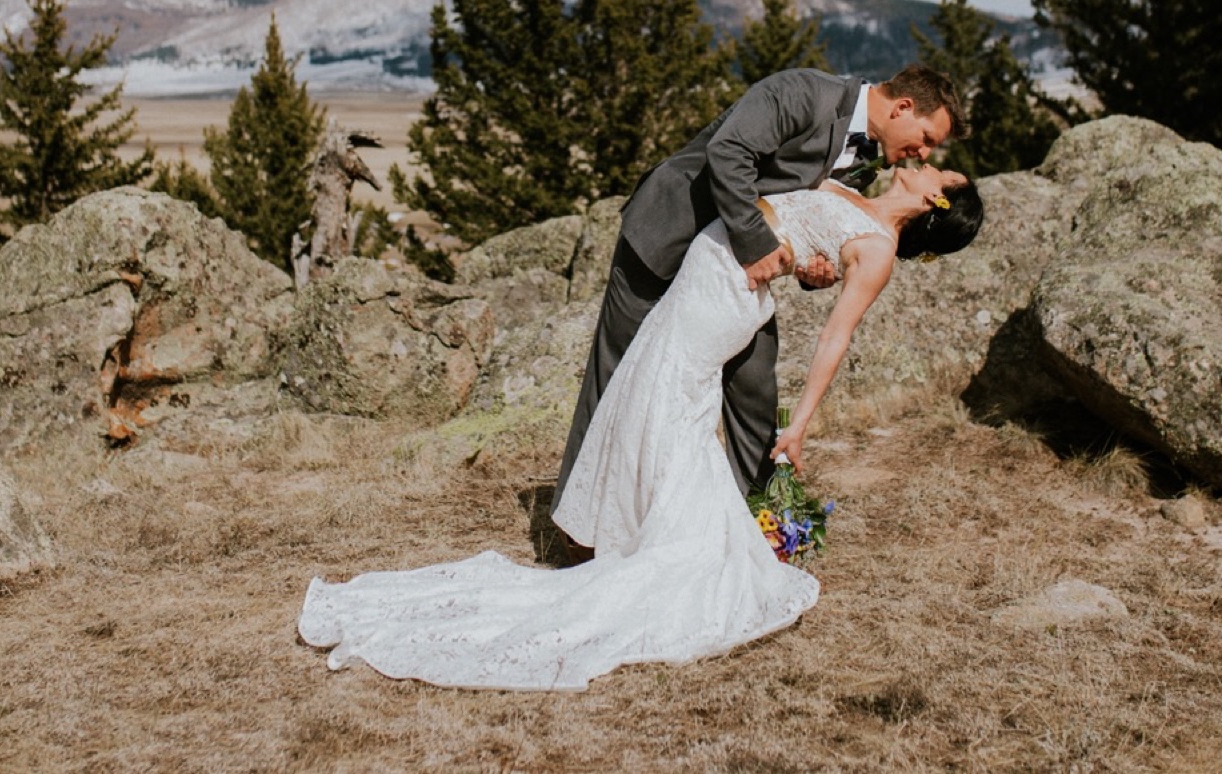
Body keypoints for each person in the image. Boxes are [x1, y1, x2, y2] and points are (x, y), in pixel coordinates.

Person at [297, 161, 984, 692]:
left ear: (936, 199)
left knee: (665, 404)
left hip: (720, 298)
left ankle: (651, 548)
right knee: (652, 403)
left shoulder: (881, 247)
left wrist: (797, 427)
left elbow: (837, 339)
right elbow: (804, 242)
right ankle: (638, 532)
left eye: (939, 169)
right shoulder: (859, 199)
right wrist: (805, 260)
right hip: (711, 275)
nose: (928, 160)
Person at [556, 64, 962, 508]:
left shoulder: (866, 163)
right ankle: (576, 519)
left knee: (754, 383)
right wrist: (756, 244)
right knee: (617, 370)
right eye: (926, 138)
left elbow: (808, 219)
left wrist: (815, 273)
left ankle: (760, 514)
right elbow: (728, 152)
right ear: (903, 107)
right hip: (670, 231)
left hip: (733, 273)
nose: (922, 154)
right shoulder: (804, 92)